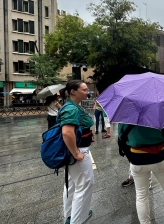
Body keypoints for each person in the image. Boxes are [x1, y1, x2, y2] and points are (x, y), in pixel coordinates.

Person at [118, 124, 164, 224]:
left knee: (141, 195)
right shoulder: (159, 113)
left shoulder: (125, 115)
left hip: (137, 159)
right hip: (159, 158)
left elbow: (121, 136)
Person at [58, 80, 95, 224]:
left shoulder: (73, 106)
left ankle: (70, 215)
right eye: (85, 90)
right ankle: (78, 219)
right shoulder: (71, 108)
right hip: (77, 152)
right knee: (85, 185)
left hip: (75, 149)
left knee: (72, 184)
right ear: (73, 91)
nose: (88, 92)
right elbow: (67, 132)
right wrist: (76, 154)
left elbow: (78, 129)